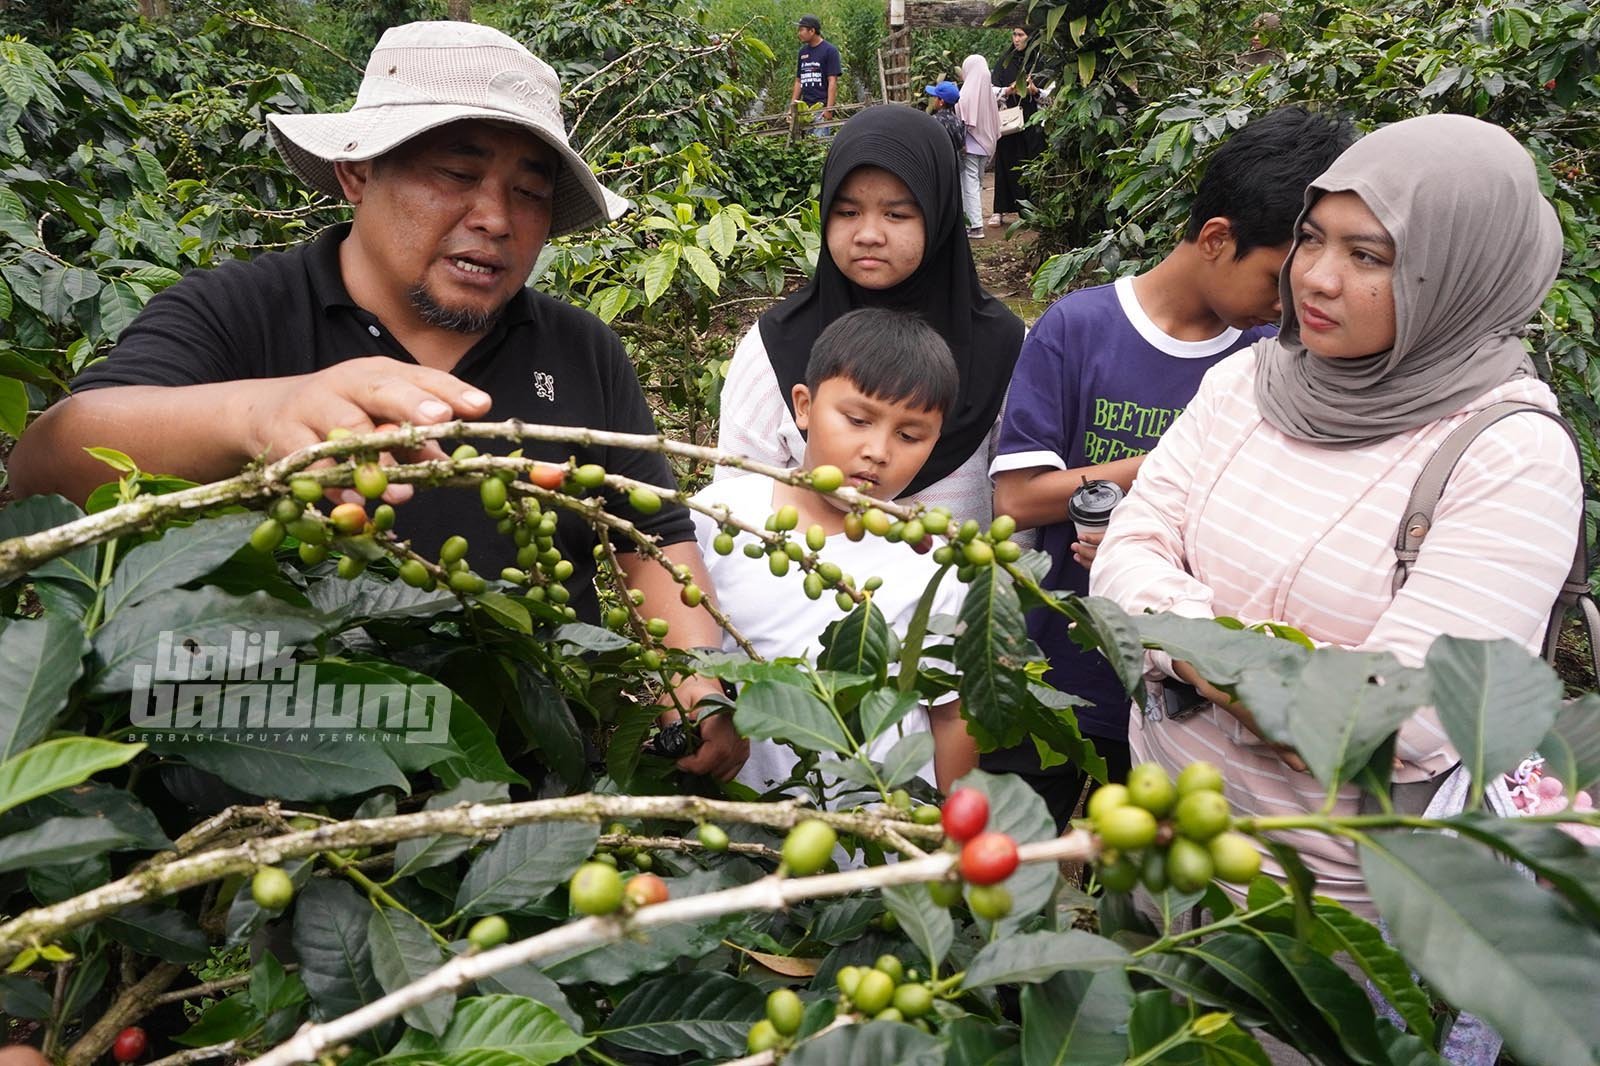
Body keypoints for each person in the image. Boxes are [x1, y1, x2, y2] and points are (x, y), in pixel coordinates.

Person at [7, 22, 747, 781]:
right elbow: (50, 463)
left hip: (530, 772)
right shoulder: (235, 313)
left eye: (527, 192)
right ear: (357, 173)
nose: (495, 217)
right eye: (457, 174)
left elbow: (647, 534)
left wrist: (695, 682)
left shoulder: (583, 349)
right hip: (260, 758)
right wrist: (258, 416)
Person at [1088, 114, 1581, 918]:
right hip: (1158, 838)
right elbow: (1124, 552)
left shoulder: (1509, 455)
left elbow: (1410, 716)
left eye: (1368, 256)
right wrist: (1271, 682)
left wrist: (1176, 639)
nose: (1314, 277)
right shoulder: (1250, 381)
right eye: (1312, 239)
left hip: (1327, 914)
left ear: (1460, 269)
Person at [986, 107, 1354, 828]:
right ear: (1217, 238)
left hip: (1180, 697)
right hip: (1059, 666)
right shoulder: (1079, 330)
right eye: (1279, 277)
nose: (1294, 302)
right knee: (1010, 861)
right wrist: (1169, 469)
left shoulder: (1269, 363)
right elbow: (1019, 499)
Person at [694, 309, 978, 796]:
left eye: (909, 436)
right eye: (858, 420)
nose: (878, 451)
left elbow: (952, 715)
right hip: (741, 825)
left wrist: (951, 842)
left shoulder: (936, 562)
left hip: (886, 836)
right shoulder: (717, 519)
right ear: (802, 406)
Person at [716, 106, 1025, 525]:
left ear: (939, 214)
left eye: (896, 214)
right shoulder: (775, 345)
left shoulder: (1004, 346)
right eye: (847, 213)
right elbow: (735, 504)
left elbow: (1017, 515)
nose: (868, 235)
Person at [989, 27, 1046, 227]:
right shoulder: (1005, 60)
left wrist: (1035, 90)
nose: (1016, 39)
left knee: (1032, 160)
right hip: (1009, 120)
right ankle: (1000, 210)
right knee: (1006, 162)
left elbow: (1053, 92)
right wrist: (1009, 89)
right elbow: (992, 88)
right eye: (1014, 34)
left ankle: (1032, 210)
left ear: (1031, 37)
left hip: (1033, 120)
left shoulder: (1040, 61)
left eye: (1021, 35)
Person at [954, 54, 999, 238]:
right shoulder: (987, 92)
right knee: (977, 183)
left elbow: (960, 113)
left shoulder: (966, 93)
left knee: (969, 184)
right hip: (986, 145)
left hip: (970, 145)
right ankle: (975, 222)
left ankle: (975, 225)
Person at [791, 15, 840, 132]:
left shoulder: (830, 51)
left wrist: (829, 109)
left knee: (819, 146)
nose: (799, 33)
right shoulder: (802, 52)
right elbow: (799, 81)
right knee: (806, 145)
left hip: (821, 108)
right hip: (805, 108)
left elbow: (832, 81)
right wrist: (792, 107)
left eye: (801, 30)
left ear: (812, 31)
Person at [924, 80, 965, 159]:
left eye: (935, 97)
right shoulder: (957, 120)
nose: (933, 99)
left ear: (941, 102)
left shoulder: (934, 121)